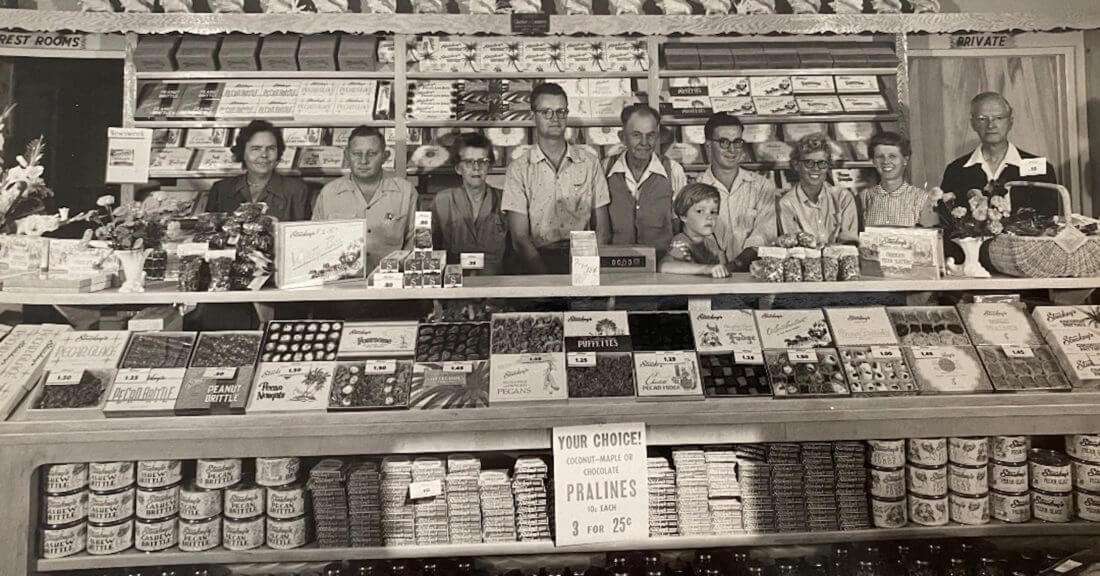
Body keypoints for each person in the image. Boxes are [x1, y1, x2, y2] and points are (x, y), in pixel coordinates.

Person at [502, 82, 611, 274]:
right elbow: (519, 238)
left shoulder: (590, 162)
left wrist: (586, 270)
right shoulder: (518, 169)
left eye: (561, 111)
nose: (555, 118)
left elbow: (603, 229)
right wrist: (546, 279)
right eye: (546, 112)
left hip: (583, 259)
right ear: (533, 116)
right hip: (536, 260)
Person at [313, 125, 418, 273]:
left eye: (372, 154)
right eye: (357, 154)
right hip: (340, 284)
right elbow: (315, 245)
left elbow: (415, 245)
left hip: (391, 283)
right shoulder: (329, 194)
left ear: (385, 156)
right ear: (347, 155)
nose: (363, 161)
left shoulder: (406, 192)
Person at [940, 92, 1058, 215]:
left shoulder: (1041, 169)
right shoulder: (956, 170)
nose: (991, 125)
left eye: (999, 118)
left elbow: (1050, 222)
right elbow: (946, 222)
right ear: (973, 124)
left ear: (1010, 122)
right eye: (982, 119)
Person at [694, 112, 777, 269]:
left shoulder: (762, 186)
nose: (732, 149)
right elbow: (695, 238)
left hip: (755, 276)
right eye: (724, 142)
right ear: (708, 146)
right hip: (710, 276)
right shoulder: (694, 189)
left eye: (737, 142)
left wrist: (738, 263)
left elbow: (765, 233)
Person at [604, 103, 686, 259]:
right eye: (636, 135)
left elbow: (680, 227)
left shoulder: (673, 171)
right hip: (615, 264)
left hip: (661, 265)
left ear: (658, 136)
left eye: (651, 135)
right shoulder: (604, 169)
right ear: (622, 137)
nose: (644, 142)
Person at [431, 133, 509, 275]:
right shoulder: (443, 201)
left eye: (482, 161)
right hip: (455, 289)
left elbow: (514, 254)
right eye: (468, 162)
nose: (476, 168)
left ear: (490, 166)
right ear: (458, 168)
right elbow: (430, 251)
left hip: (496, 289)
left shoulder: (505, 200)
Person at [206, 120, 310, 222]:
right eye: (256, 149)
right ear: (242, 152)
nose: (264, 155)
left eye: (271, 148)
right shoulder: (220, 190)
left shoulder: (297, 191)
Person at [777, 132, 859, 245]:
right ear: (796, 165)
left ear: (828, 166)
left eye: (822, 163)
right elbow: (793, 248)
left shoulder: (843, 197)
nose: (816, 168)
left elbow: (849, 243)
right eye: (808, 163)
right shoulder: (787, 203)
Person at [861, 131, 938, 227]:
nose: (886, 161)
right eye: (880, 156)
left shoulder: (921, 199)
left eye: (892, 156)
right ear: (873, 161)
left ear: (905, 160)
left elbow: (931, 239)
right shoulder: (865, 197)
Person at [659, 182, 730, 279]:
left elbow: (722, 267)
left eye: (713, 212)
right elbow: (665, 266)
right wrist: (707, 269)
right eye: (700, 211)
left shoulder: (711, 243)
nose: (709, 217)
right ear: (683, 216)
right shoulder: (681, 241)